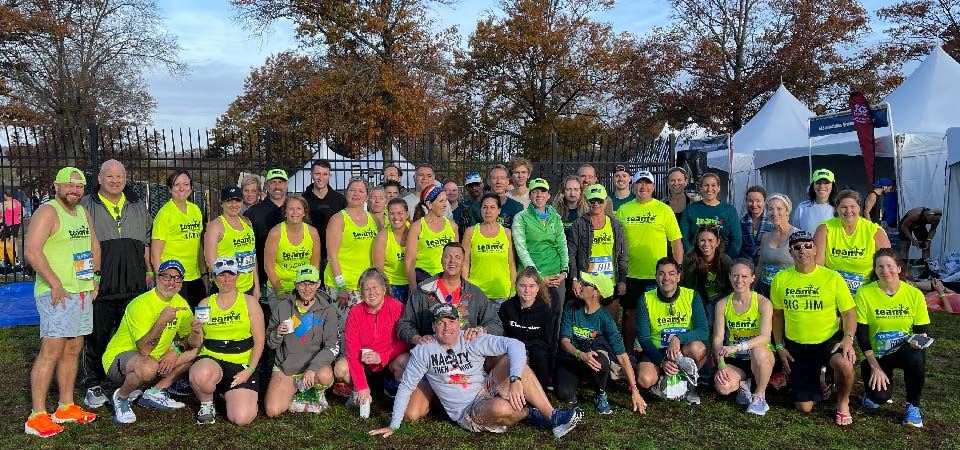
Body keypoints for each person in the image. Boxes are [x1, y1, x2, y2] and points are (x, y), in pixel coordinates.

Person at [369, 304, 583, 438]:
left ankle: (553, 416)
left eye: (451, 321)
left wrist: (515, 378)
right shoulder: (424, 351)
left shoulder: (470, 338)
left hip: (486, 388)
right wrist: (393, 425)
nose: (446, 327)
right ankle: (530, 413)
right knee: (501, 407)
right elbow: (406, 386)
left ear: (458, 323)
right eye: (440, 323)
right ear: (433, 327)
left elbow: (515, 345)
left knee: (514, 362)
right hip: (468, 412)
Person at [24, 167, 100, 438]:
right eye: (69, 185)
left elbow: (93, 245)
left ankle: (65, 406)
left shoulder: (82, 212)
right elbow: (32, 250)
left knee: (73, 347)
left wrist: (96, 276)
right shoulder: (48, 211)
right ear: (56, 186)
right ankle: (37, 415)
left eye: (79, 186)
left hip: (80, 292)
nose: (74, 190)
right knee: (51, 349)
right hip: (56, 292)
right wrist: (55, 283)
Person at [78, 159, 153, 409]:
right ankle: (92, 382)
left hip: (133, 283)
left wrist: (150, 271)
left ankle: (128, 380)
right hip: (102, 284)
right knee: (96, 335)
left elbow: (146, 243)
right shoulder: (86, 204)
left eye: (119, 176)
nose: (114, 181)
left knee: (131, 336)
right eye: (109, 176)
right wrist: (88, 279)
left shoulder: (137, 205)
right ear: (99, 179)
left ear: (125, 178)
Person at [771, 230, 857, 425]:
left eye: (808, 245)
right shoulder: (781, 279)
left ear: (815, 249)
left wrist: (848, 339)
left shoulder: (832, 277)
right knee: (804, 407)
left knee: (845, 365)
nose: (803, 250)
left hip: (827, 340)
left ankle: (843, 403)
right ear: (791, 252)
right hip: (797, 345)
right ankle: (822, 377)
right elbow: (777, 315)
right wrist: (779, 346)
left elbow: (849, 313)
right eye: (797, 247)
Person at [102, 260, 203, 423]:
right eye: (167, 277)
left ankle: (155, 392)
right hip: (121, 360)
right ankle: (121, 396)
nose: (172, 282)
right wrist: (161, 321)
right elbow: (144, 349)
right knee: (148, 367)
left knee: (199, 350)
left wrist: (176, 350)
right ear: (157, 277)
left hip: (157, 359)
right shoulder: (141, 304)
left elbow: (189, 339)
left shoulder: (180, 303)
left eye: (177, 278)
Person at [854, 248, 931, 427]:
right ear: (875, 270)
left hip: (905, 351)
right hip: (878, 356)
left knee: (916, 356)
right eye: (880, 266)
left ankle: (913, 407)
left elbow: (922, 330)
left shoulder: (914, 295)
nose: (885, 270)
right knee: (879, 398)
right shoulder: (865, 293)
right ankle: (872, 383)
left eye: (889, 266)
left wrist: (920, 341)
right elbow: (862, 335)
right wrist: (875, 366)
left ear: (898, 268)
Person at [190, 256, 265, 425]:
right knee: (201, 373)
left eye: (230, 274)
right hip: (212, 357)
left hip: (241, 362)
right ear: (214, 278)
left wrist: (249, 370)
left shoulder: (249, 302)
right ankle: (207, 403)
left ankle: (226, 392)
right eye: (221, 275)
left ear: (237, 275)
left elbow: (260, 341)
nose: (226, 279)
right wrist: (196, 331)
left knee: (241, 418)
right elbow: (195, 343)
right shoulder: (205, 303)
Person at [616, 170, 684, 357]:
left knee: (657, 316)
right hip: (631, 273)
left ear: (653, 187)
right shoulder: (624, 210)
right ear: (634, 185)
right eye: (639, 183)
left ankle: (654, 354)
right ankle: (628, 355)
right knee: (630, 315)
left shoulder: (664, 210)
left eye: (647, 183)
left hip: (659, 276)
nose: (643, 187)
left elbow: (676, 242)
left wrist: (678, 270)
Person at [557, 272, 646, 414]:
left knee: (601, 361)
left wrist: (634, 390)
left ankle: (600, 393)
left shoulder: (605, 318)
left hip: (594, 357)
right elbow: (564, 341)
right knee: (564, 393)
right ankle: (582, 379)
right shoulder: (571, 306)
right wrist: (580, 354)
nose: (581, 286)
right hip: (573, 356)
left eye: (586, 284)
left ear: (596, 293)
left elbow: (622, 356)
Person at [264, 264, 339, 417]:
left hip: (314, 369)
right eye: (303, 284)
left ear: (318, 284)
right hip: (287, 368)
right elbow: (270, 343)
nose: (307, 288)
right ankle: (298, 397)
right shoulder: (283, 307)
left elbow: (332, 346)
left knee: (325, 375)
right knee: (272, 410)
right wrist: (278, 334)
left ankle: (316, 393)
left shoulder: (328, 309)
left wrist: (313, 367)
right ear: (296, 285)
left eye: (311, 283)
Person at [397, 242, 503, 346]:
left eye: (457, 257)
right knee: (400, 362)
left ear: (463, 262)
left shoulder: (475, 293)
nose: (452, 261)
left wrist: (480, 331)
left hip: (468, 353)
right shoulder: (423, 291)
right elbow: (405, 324)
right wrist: (418, 339)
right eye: (448, 257)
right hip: (432, 353)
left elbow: (496, 324)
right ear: (441, 260)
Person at [634, 257, 709, 405]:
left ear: (679, 277)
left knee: (698, 349)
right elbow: (644, 339)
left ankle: (689, 385)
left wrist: (678, 338)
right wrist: (662, 362)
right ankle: (663, 380)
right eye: (661, 273)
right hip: (657, 350)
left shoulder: (692, 295)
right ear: (656, 277)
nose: (666, 278)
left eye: (671, 273)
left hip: (682, 350)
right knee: (644, 379)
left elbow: (703, 331)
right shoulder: (646, 298)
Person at [340, 268, 410, 417]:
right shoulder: (355, 312)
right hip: (364, 363)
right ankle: (359, 392)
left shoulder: (397, 307)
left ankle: (397, 395)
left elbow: (405, 341)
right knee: (341, 368)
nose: (371, 293)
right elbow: (352, 350)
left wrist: (382, 356)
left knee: (406, 360)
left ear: (384, 289)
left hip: (389, 361)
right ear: (361, 292)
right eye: (366, 289)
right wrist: (361, 386)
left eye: (375, 288)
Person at [712, 259, 775, 416]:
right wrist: (721, 365)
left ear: (753, 278)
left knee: (758, 352)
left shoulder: (763, 303)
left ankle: (760, 396)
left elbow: (765, 337)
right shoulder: (722, 304)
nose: (739, 280)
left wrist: (738, 346)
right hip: (735, 359)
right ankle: (744, 383)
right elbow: (718, 338)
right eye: (735, 276)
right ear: (729, 277)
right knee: (723, 388)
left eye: (744, 276)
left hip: (760, 357)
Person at [513, 178, 569, 354]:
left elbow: (562, 244)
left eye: (543, 191)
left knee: (554, 318)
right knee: (531, 318)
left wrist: (564, 271)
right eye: (535, 191)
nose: (539, 194)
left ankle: (551, 358)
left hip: (555, 276)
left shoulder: (555, 217)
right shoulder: (521, 217)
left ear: (548, 195)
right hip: (532, 277)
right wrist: (537, 277)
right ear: (530, 195)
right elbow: (521, 248)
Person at [815, 190, 891, 296]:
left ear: (859, 208)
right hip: (833, 290)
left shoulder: (874, 231)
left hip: (866, 290)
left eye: (852, 206)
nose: (848, 211)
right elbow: (818, 264)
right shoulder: (824, 229)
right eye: (843, 207)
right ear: (837, 209)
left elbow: (888, 264)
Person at [568, 184, 627, 317]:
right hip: (587, 282)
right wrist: (574, 279)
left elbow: (622, 255)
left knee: (609, 321)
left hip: (609, 282)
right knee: (588, 323)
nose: (596, 204)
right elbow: (571, 254)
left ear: (606, 201)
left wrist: (622, 279)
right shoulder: (579, 224)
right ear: (587, 201)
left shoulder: (615, 225)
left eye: (600, 201)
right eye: (592, 201)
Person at [151, 170, 205, 309]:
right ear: (170, 189)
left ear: (191, 188)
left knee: (198, 321)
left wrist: (203, 273)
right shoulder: (164, 214)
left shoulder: (195, 210)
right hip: (173, 280)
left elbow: (198, 246)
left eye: (186, 184)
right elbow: (155, 254)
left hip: (194, 277)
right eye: (177, 185)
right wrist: (162, 281)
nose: (182, 188)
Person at [324, 179, 377, 306]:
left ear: (367, 196)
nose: (356, 194)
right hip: (343, 286)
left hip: (365, 284)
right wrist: (341, 286)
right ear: (346, 193)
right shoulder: (338, 219)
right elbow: (332, 256)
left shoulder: (373, 219)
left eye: (360, 191)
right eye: (352, 190)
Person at [498, 267, 555, 386]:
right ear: (516, 287)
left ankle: (539, 391)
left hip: (535, 349)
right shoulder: (507, 307)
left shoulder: (544, 310)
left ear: (538, 288)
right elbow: (501, 335)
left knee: (539, 355)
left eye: (531, 286)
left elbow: (547, 341)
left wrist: (526, 349)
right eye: (522, 286)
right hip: (511, 348)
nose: (527, 290)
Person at [463, 193, 517, 311]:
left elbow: (511, 263)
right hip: (477, 294)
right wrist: (464, 288)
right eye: (485, 207)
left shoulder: (506, 233)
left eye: (492, 207)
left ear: (499, 211)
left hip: (502, 294)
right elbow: (465, 262)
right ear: (480, 209)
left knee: (499, 329)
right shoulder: (471, 232)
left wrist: (513, 289)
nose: (488, 211)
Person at [203, 186, 259, 298]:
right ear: (222, 203)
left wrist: (256, 285)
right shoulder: (215, 226)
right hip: (226, 290)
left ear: (242, 202)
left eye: (237, 200)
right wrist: (228, 285)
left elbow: (252, 257)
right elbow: (211, 262)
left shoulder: (246, 222)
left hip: (248, 288)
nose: (234, 205)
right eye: (229, 201)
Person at [264, 196, 322, 303]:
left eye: (298, 208)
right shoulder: (275, 233)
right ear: (285, 212)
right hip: (280, 288)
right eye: (291, 208)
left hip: (305, 289)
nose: (295, 212)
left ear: (304, 212)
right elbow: (268, 267)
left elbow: (315, 266)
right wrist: (280, 292)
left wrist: (310, 289)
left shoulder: (312, 233)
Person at [405, 184, 458, 291]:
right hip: (424, 278)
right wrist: (413, 287)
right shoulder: (417, 227)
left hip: (446, 279)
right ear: (429, 204)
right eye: (441, 201)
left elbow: (457, 256)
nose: (445, 205)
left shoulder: (452, 226)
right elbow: (409, 260)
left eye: (445, 201)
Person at [244, 168, 288, 294]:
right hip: (263, 277)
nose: (277, 186)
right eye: (273, 182)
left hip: (291, 276)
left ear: (286, 185)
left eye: (281, 182)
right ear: (267, 185)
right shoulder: (252, 213)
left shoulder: (295, 210)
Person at [679, 172, 742, 258]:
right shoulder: (690, 209)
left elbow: (737, 240)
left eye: (713, 185)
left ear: (719, 188)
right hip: (696, 260)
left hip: (722, 260)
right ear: (700, 188)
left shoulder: (729, 210)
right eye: (706, 185)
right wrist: (693, 257)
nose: (709, 189)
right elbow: (684, 238)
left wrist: (726, 259)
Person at [302, 159, 347, 275]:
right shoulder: (303, 200)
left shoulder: (339, 200)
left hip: (334, 256)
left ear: (330, 175)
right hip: (309, 255)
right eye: (317, 174)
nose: (321, 178)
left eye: (325, 174)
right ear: (311, 174)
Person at [682, 225, 733, 324]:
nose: (706, 244)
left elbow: (730, 289)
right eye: (702, 240)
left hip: (721, 300)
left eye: (710, 240)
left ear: (717, 242)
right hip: (698, 300)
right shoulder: (689, 260)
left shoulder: (726, 261)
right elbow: (690, 288)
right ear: (697, 242)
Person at [756, 193, 799, 299]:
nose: (774, 213)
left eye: (779, 209)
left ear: (787, 211)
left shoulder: (797, 236)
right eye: (770, 209)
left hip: (788, 291)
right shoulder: (766, 236)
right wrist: (753, 288)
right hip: (765, 290)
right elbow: (760, 265)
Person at [373, 198, 412, 301]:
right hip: (392, 285)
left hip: (414, 282)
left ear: (407, 214)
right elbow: (378, 270)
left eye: (400, 213)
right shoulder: (383, 236)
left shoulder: (414, 230)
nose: (396, 217)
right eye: (392, 213)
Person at [470, 164, 524, 229]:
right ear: (488, 181)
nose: (498, 182)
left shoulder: (517, 208)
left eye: (502, 178)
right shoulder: (476, 207)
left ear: (507, 181)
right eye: (494, 178)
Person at [793, 168, 837, 234]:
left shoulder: (838, 208)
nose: (822, 186)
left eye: (826, 183)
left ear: (832, 186)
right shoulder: (802, 207)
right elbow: (795, 232)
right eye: (818, 182)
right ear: (813, 185)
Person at [739, 186, 774, 264]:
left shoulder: (773, 221)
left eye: (758, 201)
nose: (754, 205)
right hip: (746, 264)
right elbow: (740, 245)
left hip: (767, 263)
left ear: (765, 202)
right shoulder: (741, 222)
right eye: (750, 201)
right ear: (746, 202)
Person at [453, 172, 483, 239]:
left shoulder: (489, 204)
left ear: (482, 184)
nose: (474, 188)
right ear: (466, 187)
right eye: (470, 186)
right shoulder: (461, 207)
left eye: (477, 184)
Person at [1, 188, 23, 266]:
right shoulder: (17, 202)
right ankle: (15, 258)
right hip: (16, 224)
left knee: (7, 241)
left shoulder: (6, 203)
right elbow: (23, 212)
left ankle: (7, 259)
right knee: (14, 240)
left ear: (5, 195)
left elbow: (1, 214)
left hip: (8, 224)